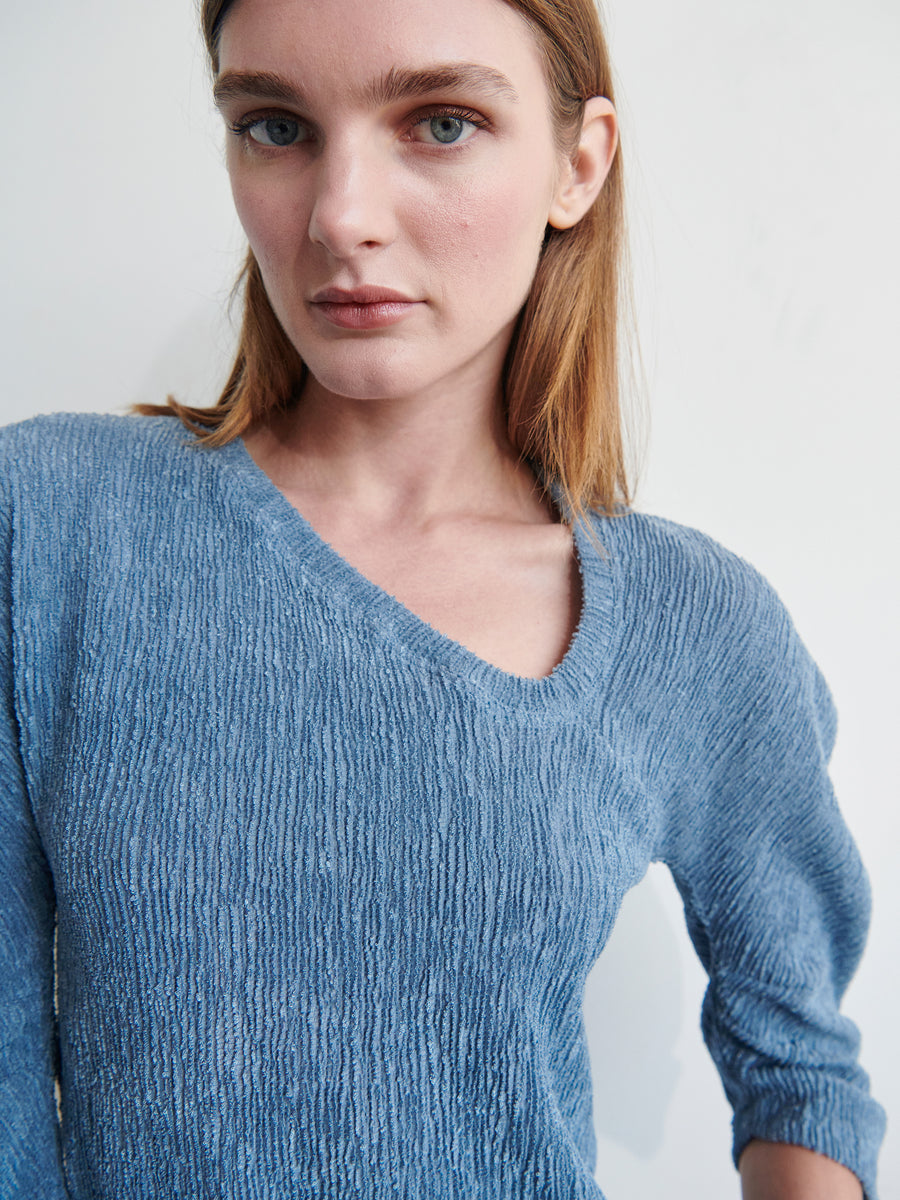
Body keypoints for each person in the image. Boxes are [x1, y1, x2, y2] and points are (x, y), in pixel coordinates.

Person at [0, 0, 886, 1196]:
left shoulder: (692, 626)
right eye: (275, 125)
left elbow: (800, 1071)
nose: (340, 216)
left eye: (443, 122)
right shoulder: (51, 524)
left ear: (579, 163)